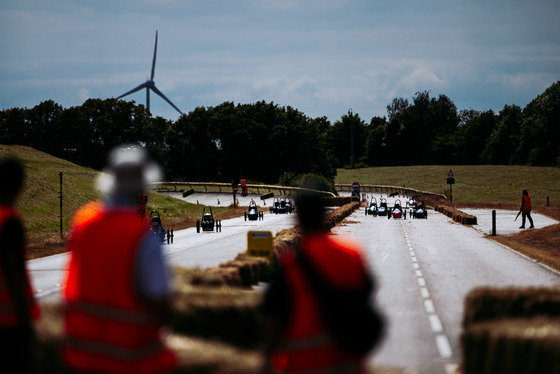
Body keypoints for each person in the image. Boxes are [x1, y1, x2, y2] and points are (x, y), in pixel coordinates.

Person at [62, 144, 177, 374]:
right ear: (142, 189)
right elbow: (159, 298)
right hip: (129, 356)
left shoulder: (83, 223)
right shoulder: (141, 235)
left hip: (82, 352)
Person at [261, 190, 383, 374]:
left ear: (298, 220)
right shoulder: (351, 254)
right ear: (325, 214)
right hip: (347, 364)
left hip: (302, 366)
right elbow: (367, 298)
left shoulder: (290, 266)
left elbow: (273, 319)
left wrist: (265, 362)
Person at [0, 157, 41, 374]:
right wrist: (27, 325)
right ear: (18, 184)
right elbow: (13, 274)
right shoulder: (10, 221)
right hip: (7, 323)